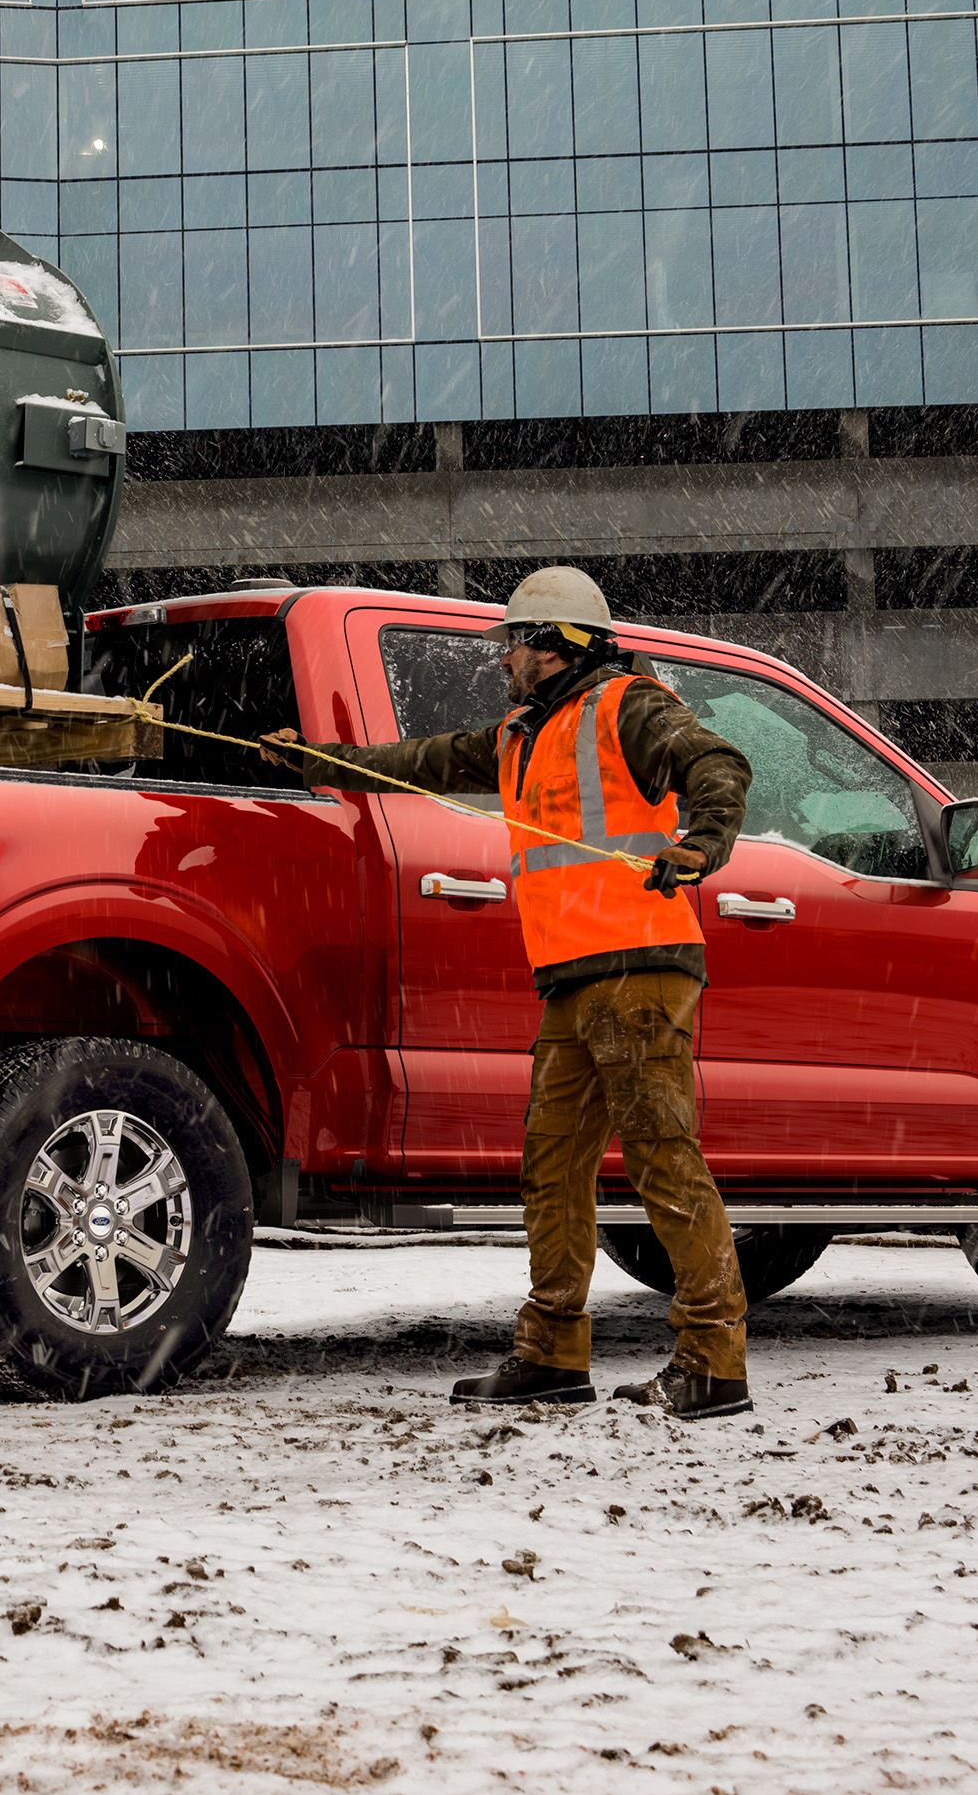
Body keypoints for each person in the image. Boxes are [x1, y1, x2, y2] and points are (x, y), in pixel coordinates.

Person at [267, 566, 760, 1420]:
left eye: (517, 646)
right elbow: (414, 761)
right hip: (573, 981)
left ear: (561, 646)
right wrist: (318, 760)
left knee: (662, 1161)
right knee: (553, 1169)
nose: (505, 661)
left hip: (642, 967)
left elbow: (716, 760)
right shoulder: (519, 736)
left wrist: (703, 840)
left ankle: (714, 1364)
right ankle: (554, 1354)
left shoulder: (626, 706)